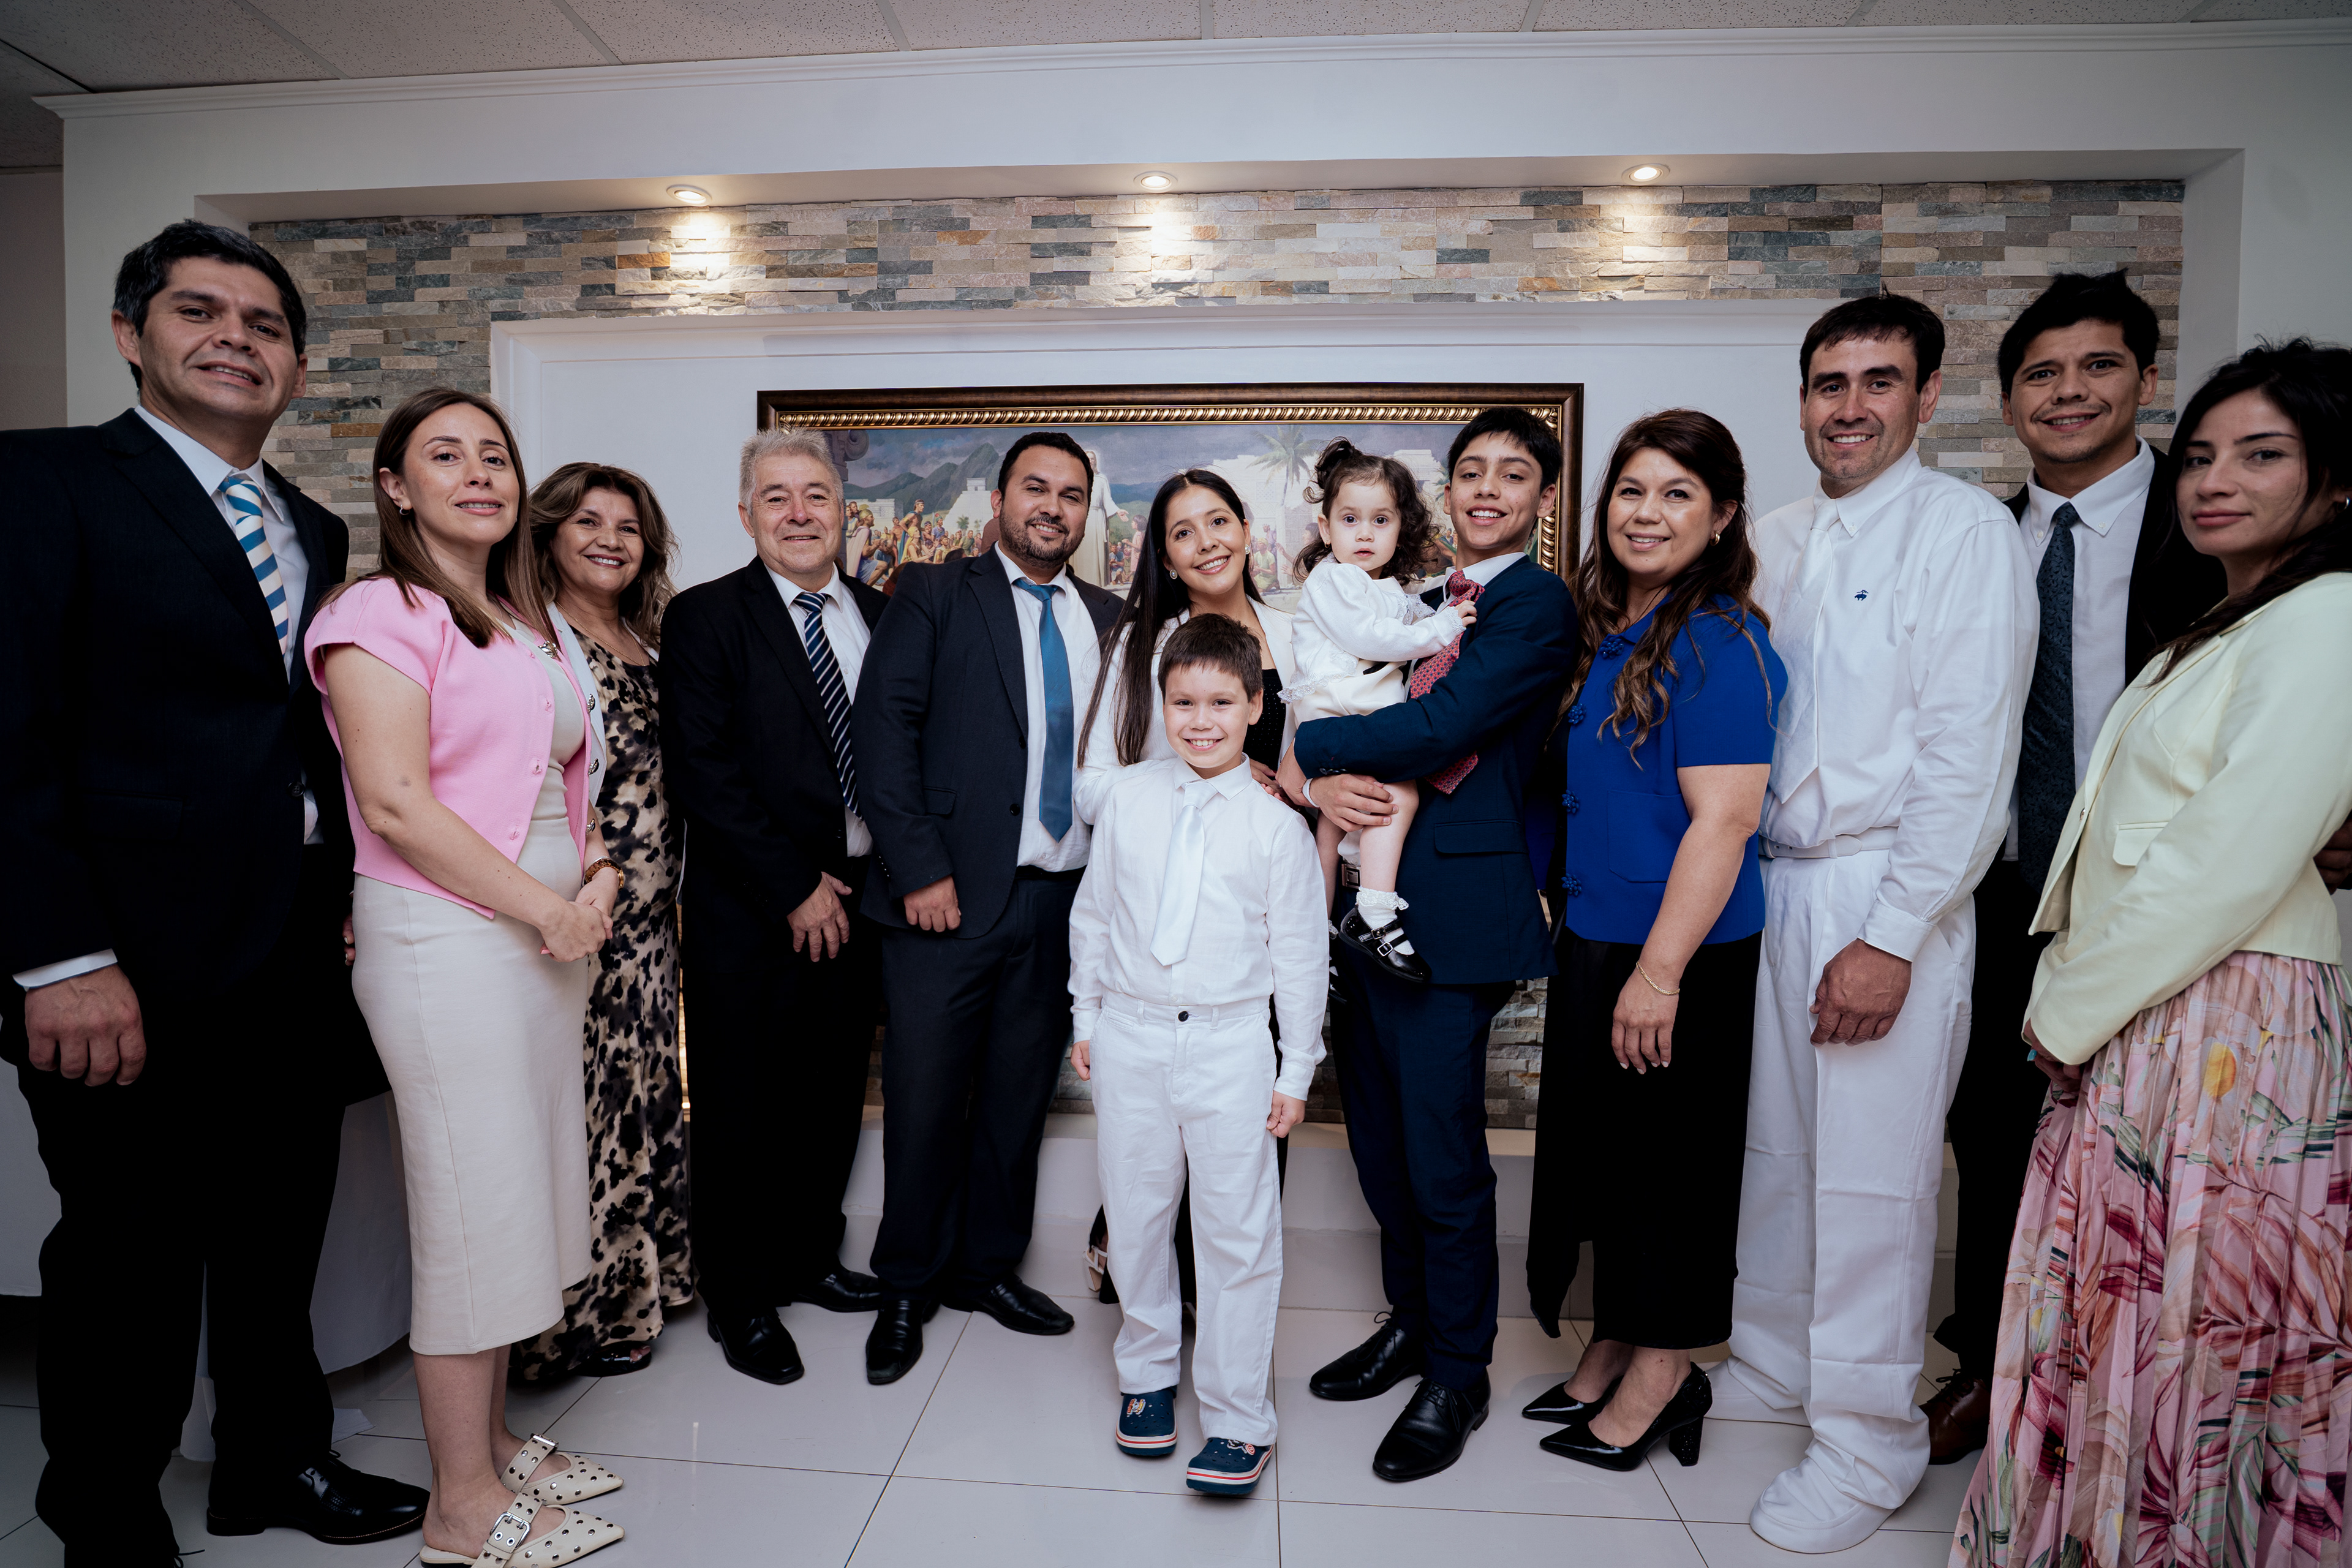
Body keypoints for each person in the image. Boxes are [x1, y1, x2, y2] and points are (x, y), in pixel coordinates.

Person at [0, 221, 427, 1562]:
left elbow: (299, 733)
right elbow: (5, 732)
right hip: (123, 954)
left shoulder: (308, 524)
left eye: (266, 324)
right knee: (126, 1251)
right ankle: (103, 1512)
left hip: (290, 944)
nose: (236, 338)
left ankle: (272, 1460)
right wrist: (59, 955)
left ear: (296, 368)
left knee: (275, 1231)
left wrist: (347, 890)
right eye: (201, 311)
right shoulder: (44, 483)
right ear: (131, 335)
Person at [1952, 341, 2352, 1568]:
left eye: (2262, 455)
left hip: (2223, 1008)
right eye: (2203, 456)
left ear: (2338, 479)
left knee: (2194, 1315)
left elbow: (2224, 855)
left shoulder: (2330, 613)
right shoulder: (2238, 618)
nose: (2214, 480)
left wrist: (2064, 1005)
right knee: (2128, 1301)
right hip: (2166, 997)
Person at [1721, 292, 2035, 1553]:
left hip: (1888, 887)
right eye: (1828, 383)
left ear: (1928, 394)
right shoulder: (1774, 539)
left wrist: (1895, 933)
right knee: (1780, 1150)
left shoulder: (1962, 532)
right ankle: (1774, 1361)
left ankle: (1866, 1442)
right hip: (1778, 880)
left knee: (1871, 1179)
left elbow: (1970, 756)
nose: (1849, 407)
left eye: (1878, 381)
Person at [309, 387, 626, 1568]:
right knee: (469, 1215)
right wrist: (552, 908)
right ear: (396, 487)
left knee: (516, 1202)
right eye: (446, 456)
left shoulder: (520, 620)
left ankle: (493, 1452)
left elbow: (566, 781)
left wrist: (596, 873)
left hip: (544, 946)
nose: (480, 473)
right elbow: (395, 804)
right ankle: (459, 1510)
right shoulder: (376, 613)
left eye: (495, 455)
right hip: (450, 944)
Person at [1924, 270, 2226, 1463]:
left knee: (2162, 1141)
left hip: (2168, 891)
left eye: (2098, 366)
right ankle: (1987, 1367)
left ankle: (2143, 1386)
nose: (2068, 392)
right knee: (1994, 1133)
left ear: (2145, 381)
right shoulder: (1979, 539)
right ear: (2007, 402)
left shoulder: (2211, 523)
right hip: (2003, 887)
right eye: (2041, 373)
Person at [1277, 406, 1578, 1483]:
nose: (1488, 488)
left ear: (1544, 496)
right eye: (1472, 472)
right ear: (1447, 493)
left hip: (1452, 917)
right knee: (1379, 1142)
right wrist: (1318, 783)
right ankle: (1410, 1323)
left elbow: (1445, 729)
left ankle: (1458, 1371)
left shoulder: (1532, 603)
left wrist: (1312, 748)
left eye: (1514, 473)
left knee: (1443, 1160)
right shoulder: (1416, 597)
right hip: (1369, 906)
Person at [1521, 410, 1785, 1473]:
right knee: (1616, 1166)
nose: (1647, 512)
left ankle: (1666, 1374)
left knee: (1672, 1175)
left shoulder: (1720, 642)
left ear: (1722, 518)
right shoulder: (1616, 632)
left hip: (1680, 955)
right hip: (1603, 938)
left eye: (1678, 494)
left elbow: (1726, 821)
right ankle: (1618, 1341)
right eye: (1632, 490)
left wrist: (1661, 975)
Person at [853, 431, 1124, 1384]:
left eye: (1071, 495)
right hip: (946, 901)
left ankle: (985, 1270)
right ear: (1001, 499)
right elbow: (883, 733)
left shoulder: (1110, 617)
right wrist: (920, 870)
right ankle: (905, 1285)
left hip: (1062, 904)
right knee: (925, 1100)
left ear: (1086, 515)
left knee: (1017, 1102)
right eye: (1035, 488)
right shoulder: (933, 593)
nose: (1053, 506)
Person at [1068, 615, 1327, 1498]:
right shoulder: (1129, 799)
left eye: (1222, 703)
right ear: (1162, 706)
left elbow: (1301, 960)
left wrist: (1296, 1071)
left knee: (1235, 1233)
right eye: (1184, 703)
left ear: (1256, 706)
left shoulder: (1276, 828)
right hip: (1133, 1034)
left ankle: (1239, 1414)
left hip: (1229, 1043)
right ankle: (1146, 1372)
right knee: (1137, 1214)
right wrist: (1087, 1016)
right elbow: (1096, 915)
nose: (1202, 721)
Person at [660, 429, 893, 1385]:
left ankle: (808, 1260)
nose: (798, 514)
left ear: (844, 510)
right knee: (740, 1106)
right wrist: (794, 886)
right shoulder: (706, 618)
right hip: (752, 908)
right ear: (746, 513)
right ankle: (742, 1295)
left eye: (815, 495)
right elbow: (703, 772)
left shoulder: (884, 614)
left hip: (864, 902)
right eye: (776, 497)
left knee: (831, 1096)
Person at [1074, 467, 1303, 1303]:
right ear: (1165, 557)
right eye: (1182, 532)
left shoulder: (1301, 634)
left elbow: (1337, 746)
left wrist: (1286, 790)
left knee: (1252, 1111)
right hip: (1167, 917)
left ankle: (1218, 1289)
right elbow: (1094, 785)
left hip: (1264, 907)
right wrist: (1190, 791)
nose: (1205, 542)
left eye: (1218, 521)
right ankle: (1139, 1258)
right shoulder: (1144, 645)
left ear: (1246, 528)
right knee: (1154, 1122)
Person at [510, 462, 691, 1384]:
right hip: (579, 915)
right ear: (548, 534)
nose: (610, 540)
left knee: (643, 1102)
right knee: (585, 1118)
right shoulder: (530, 642)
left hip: (652, 925)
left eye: (627, 526)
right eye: (588, 521)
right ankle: (570, 1319)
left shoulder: (649, 640)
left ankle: (645, 1285)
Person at [1283, 439, 1474, 984]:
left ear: (1400, 528)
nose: (1365, 534)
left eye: (1381, 520)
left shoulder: (1383, 586)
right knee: (1399, 796)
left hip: (1348, 715)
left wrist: (1434, 610)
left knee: (1329, 828)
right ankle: (1375, 912)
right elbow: (1373, 637)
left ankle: (1317, 939)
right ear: (1326, 529)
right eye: (1350, 520)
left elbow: (1402, 620)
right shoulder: (1334, 580)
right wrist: (1444, 626)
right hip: (1344, 710)